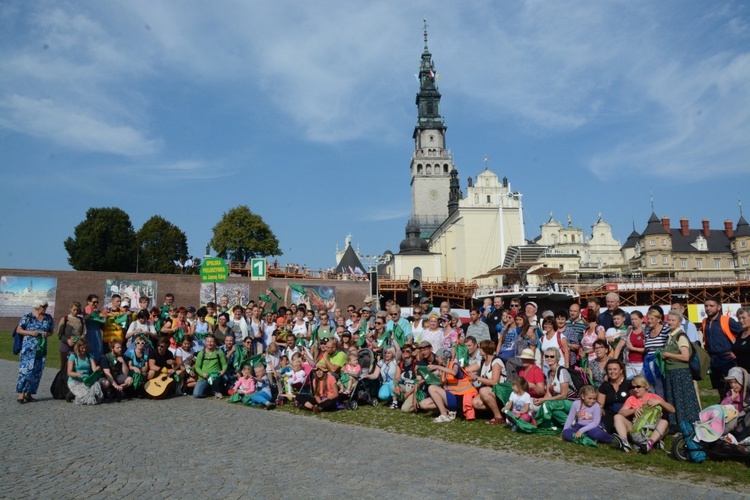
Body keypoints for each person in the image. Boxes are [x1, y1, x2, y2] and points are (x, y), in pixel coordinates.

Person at [613, 375, 674, 454]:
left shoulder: (654, 397)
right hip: (636, 427)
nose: (635, 389)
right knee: (617, 417)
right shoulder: (632, 398)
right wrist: (633, 411)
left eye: (638, 387)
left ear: (645, 387)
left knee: (664, 422)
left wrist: (660, 402)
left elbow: (672, 410)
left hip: (652, 428)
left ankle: (649, 443)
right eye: (633, 387)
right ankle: (625, 442)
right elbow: (621, 412)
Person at [662, 309, 701, 428]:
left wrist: (668, 355)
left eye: (673, 320)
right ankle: (678, 423)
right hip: (672, 372)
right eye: (669, 320)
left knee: (683, 399)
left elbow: (685, 356)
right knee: (674, 397)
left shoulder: (680, 336)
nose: (670, 322)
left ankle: (688, 422)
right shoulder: (670, 336)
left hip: (680, 372)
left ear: (679, 322)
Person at [702, 296, 743, 400]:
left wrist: (736, 352)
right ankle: (724, 404)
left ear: (719, 307)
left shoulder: (727, 320)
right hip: (713, 359)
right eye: (706, 306)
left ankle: (736, 408)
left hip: (727, 358)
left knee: (732, 386)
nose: (708, 308)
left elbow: (743, 334)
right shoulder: (704, 322)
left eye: (711, 306)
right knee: (718, 386)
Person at [15, 298, 54, 404]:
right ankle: (21, 393)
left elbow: (51, 331)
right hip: (28, 348)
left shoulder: (48, 318)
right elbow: (19, 330)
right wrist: (31, 333)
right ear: (37, 307)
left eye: (46, 307)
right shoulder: (28, 317)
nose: (45, 309)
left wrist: (47, 334)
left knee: (37, 371)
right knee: (25, 371)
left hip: (41, 349)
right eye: (43, 307)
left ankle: (29, 394)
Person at [470, 340, 505, 424]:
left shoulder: (496, 361)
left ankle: (498, 417)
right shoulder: (482, 361)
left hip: (500, 390)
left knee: (483, 391)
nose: (479, 350)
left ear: (485, 349)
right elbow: (467, 369)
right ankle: (499, 410)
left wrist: (477, 378)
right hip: (489, 390)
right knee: (476, 403)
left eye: (480, 348)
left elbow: (494, 382)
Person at [533, 348, 576, 412]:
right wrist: (540, 400)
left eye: (552, 356)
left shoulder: (562, 371)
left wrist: (544, 400)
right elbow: (548, 394)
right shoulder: (549, 373)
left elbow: (563, 395)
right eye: (546, 356)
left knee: (548, 405)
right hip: (560, 401)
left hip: (571, 401)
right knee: (538, 406)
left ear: (557, 358)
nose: (549, 358)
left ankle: (567, 421)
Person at [596, 359, 632, 434]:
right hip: (609, 414)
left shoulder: (629, 384)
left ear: (621, 370)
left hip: (626, 414)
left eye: (615, 369)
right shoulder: (605, 386)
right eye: (610, 369)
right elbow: (600, 405)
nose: (612, 372)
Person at [66, 337, 104, 405]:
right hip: (75, 380)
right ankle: (72, 393)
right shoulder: (73, 356)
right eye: (82, 348)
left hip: (87, 380)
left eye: (86, 348)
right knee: (85, 398)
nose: (84, 350)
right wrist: (77, 374)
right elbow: (69, 372)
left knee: (96, 385)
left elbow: (94, 368)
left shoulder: (89, 356)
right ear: (78, 347)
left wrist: (97, 368)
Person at [613, 310, 645, 379]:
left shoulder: (646, 332)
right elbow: (618, 348)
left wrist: (633, 349)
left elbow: (647, 349)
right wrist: (614, 362)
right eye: (632, 319)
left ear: (641, 319)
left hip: (642, 364)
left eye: (635, 319)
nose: (633, 321)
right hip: (629, 364)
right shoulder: (628, 331)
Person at [57, 301, 86, 369]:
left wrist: (79, 340)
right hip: (65, 346)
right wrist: (67, 340)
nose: (75, 312)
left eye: (77, 310)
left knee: (75, 365)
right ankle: (62, 379)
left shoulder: (81, 320)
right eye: (74, 310)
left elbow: (84, 332)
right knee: (64, 366)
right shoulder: (65, 319)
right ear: (70, 309)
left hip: (77, 346)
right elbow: (59, 334)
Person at [732, 307, 750, 372]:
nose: (741, 321)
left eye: (743, 318)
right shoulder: (740, 334)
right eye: (739, 318)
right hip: (742, 373)